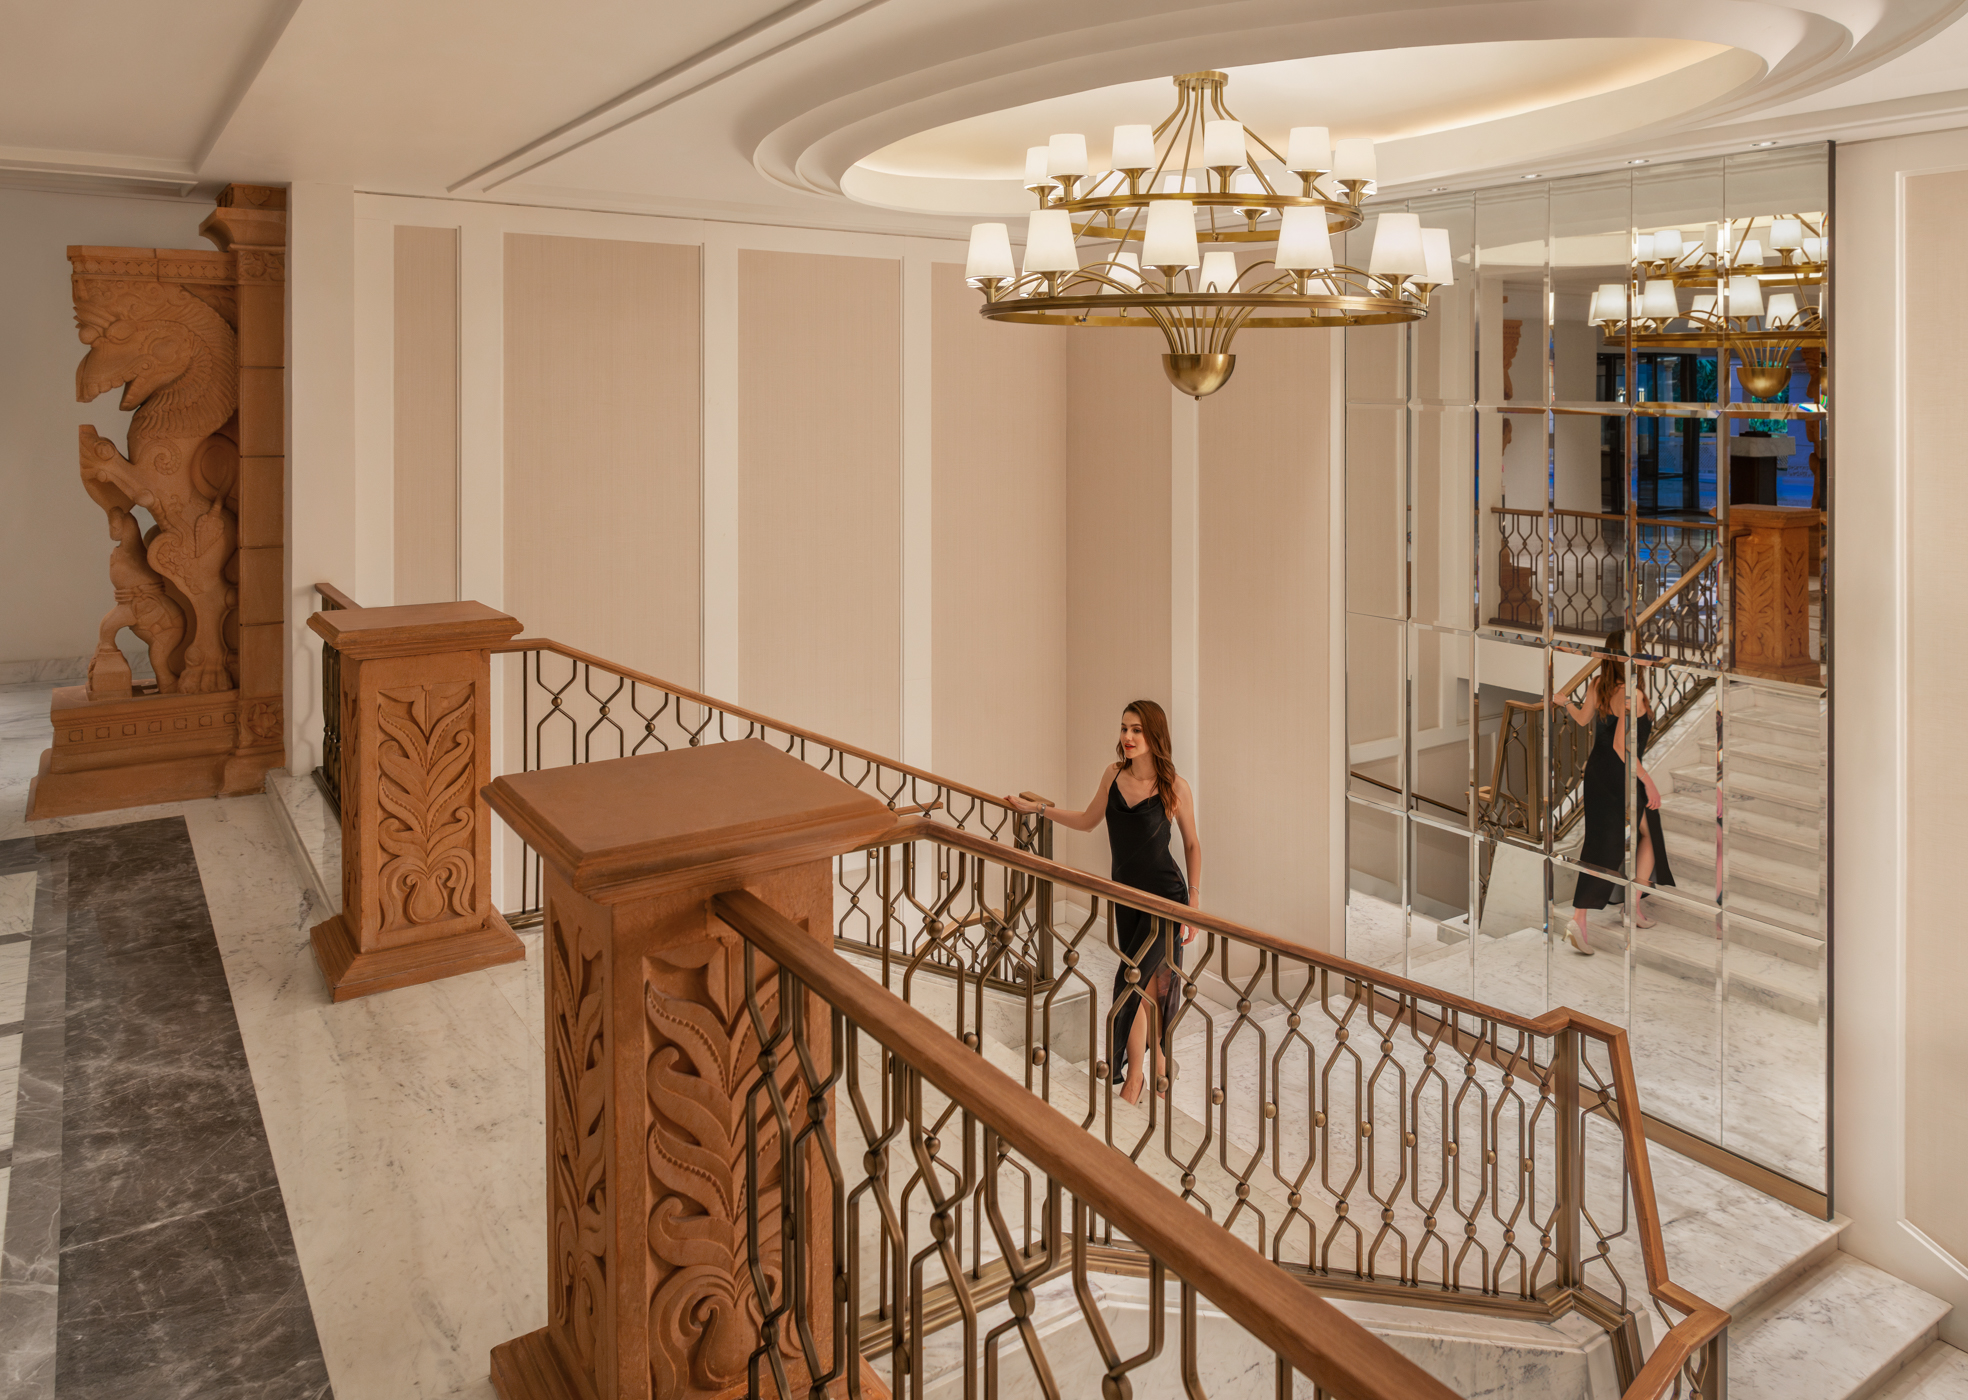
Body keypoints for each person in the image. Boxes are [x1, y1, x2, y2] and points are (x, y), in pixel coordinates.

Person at [1006, 701, 1201, 1105]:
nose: (1127, 737)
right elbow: (1087, 820)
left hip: (1165, 901)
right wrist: (1039, 808)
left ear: (1154, 736)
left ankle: (1135, 1079)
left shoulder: (1175, 787)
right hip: (1124, 898)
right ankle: (1160, 1066)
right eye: (1124, 728)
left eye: (1137, 730)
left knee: (1133, 983)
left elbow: (1192, 845)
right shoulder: (1113, 775)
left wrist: (1193, 901)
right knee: (1148, 988)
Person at [1561, 631, 1674, 955]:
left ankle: (1589, 917)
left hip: (1597, 772)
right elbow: (1621, 746)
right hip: (1620, 773)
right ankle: (1623, 908)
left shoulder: (1599, 684)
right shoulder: (1632, 694)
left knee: (1603, 842)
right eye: (1639, 650)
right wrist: (1648, 781)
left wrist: (1564, 702)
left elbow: (1583, 719)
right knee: (1630, 840)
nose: (1644, 654)